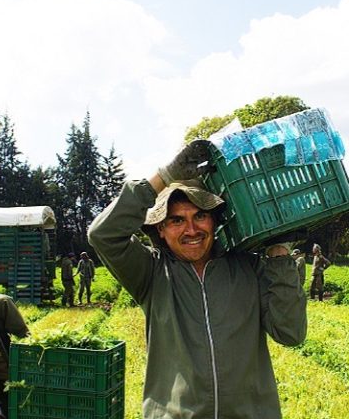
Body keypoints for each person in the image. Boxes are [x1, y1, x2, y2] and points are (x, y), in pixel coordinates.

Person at [88, 139, 307, 419]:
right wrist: (164, 177)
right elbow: (102, 234)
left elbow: (290, 333)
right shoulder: (151, 273)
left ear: (214, 222)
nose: (191, 229)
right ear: (161, 231)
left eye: (200, 216)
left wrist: (279, 254)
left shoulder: (250, 267)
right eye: (177, 220)